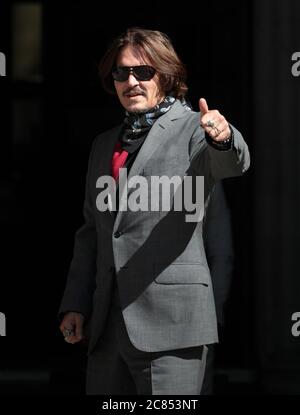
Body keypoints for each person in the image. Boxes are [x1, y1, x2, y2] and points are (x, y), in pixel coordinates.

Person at [58, 27, 250, 395]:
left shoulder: (194, 128)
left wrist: (223, 138)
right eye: (121, 72)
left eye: (143, 72)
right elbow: (91, 234)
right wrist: (76, 304)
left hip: (172, 327)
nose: (131, 81)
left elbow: (232, 163)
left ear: (166, 75)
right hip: (107, 330)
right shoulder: (103, 145)